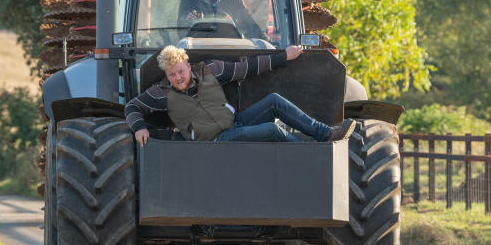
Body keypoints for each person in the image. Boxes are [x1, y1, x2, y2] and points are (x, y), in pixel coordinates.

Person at [125, 45, 356, 145]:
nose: (177, 77)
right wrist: (139, 128)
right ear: (166, 74)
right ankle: (308, 154)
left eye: (180, 71)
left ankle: (325, 134)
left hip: (235, 123)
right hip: (215, 141)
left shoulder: (210, 70)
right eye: (172, 74)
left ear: (187, 64)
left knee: (274, 101)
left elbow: (248, 68)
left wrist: (284, 56)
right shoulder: (161, 93)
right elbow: (131, 107)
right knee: (273, 129)